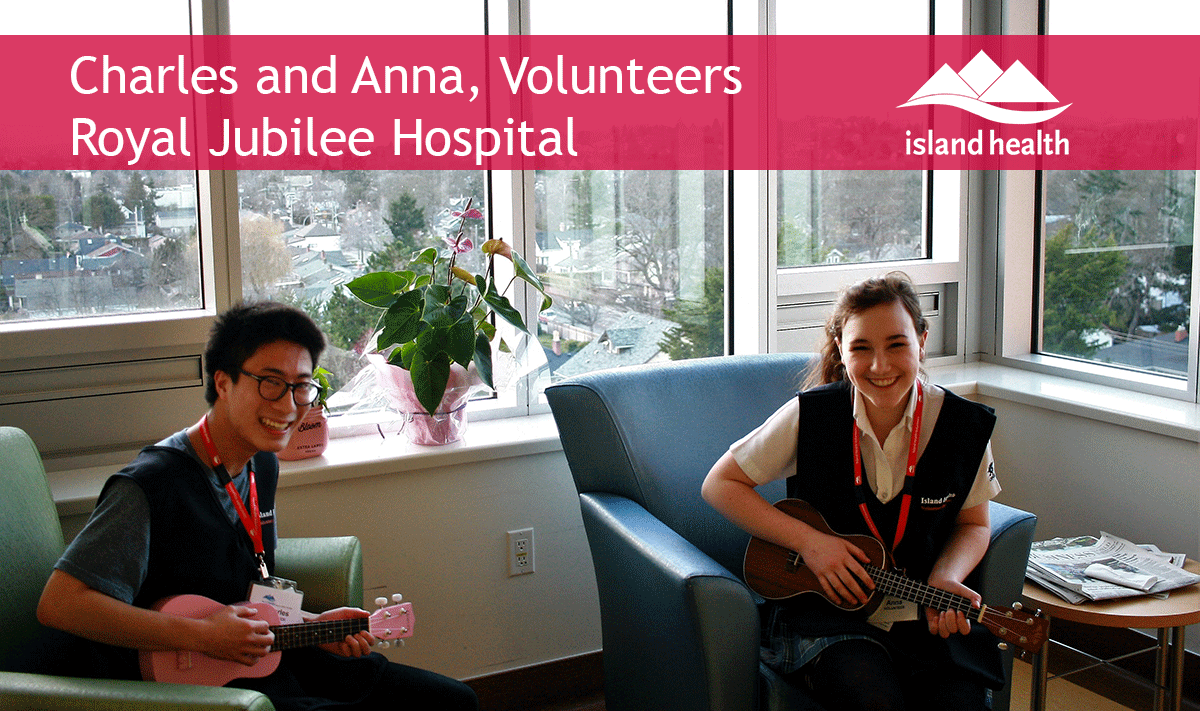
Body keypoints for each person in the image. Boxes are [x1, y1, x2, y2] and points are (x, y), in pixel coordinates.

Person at [34, 301, 478, 711]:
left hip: (263, 663)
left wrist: (312, 625)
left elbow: (242, 595)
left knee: (452, 701)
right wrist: (203, 635)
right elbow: (61, 604)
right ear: (223, 383)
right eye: (269, 383)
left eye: (301, 387)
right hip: (190, 689)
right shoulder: (152, 485)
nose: (288, 406)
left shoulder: (261, 464)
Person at [701, 273, 1003, 711]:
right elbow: (720, 485)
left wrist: (947, 576)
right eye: (861, 348)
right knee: (871, 695)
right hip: (828, 615)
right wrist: (812, 544)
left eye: (897, 344)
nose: (880, 366)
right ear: (841, 350)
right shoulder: (813, 414)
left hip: (920, 611)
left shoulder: (964, 426)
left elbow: (974, 524)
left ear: (922, 339)